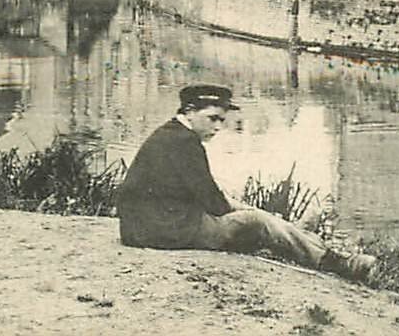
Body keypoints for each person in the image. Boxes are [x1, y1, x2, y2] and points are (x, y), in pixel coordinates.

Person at [117, 85, 376, 282]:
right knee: (258, 222)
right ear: (190, 112)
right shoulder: (185, 143)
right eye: (213, 118)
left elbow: (199, 193)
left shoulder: (170, 133)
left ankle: (301, 237)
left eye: (221, 120)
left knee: (255, 216)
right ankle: (336, 264)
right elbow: (213, 203)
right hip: (165, 230)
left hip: (147, 224)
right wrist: (251, 214)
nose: (218, 127)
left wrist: (240, 208)